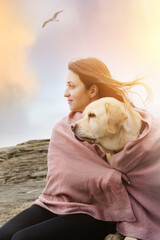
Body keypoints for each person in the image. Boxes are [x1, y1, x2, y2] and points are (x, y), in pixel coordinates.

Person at [0, 57, 153, 240]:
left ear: (92, 90)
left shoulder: (122, 120)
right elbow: (62, 175)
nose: (66, 93)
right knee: (4, 234)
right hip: (55, 203)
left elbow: (141, 172)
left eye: (72, 86)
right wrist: (109, 177)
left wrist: (113, 178)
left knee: (23, 238)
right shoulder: (63, 128)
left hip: (98, 210)